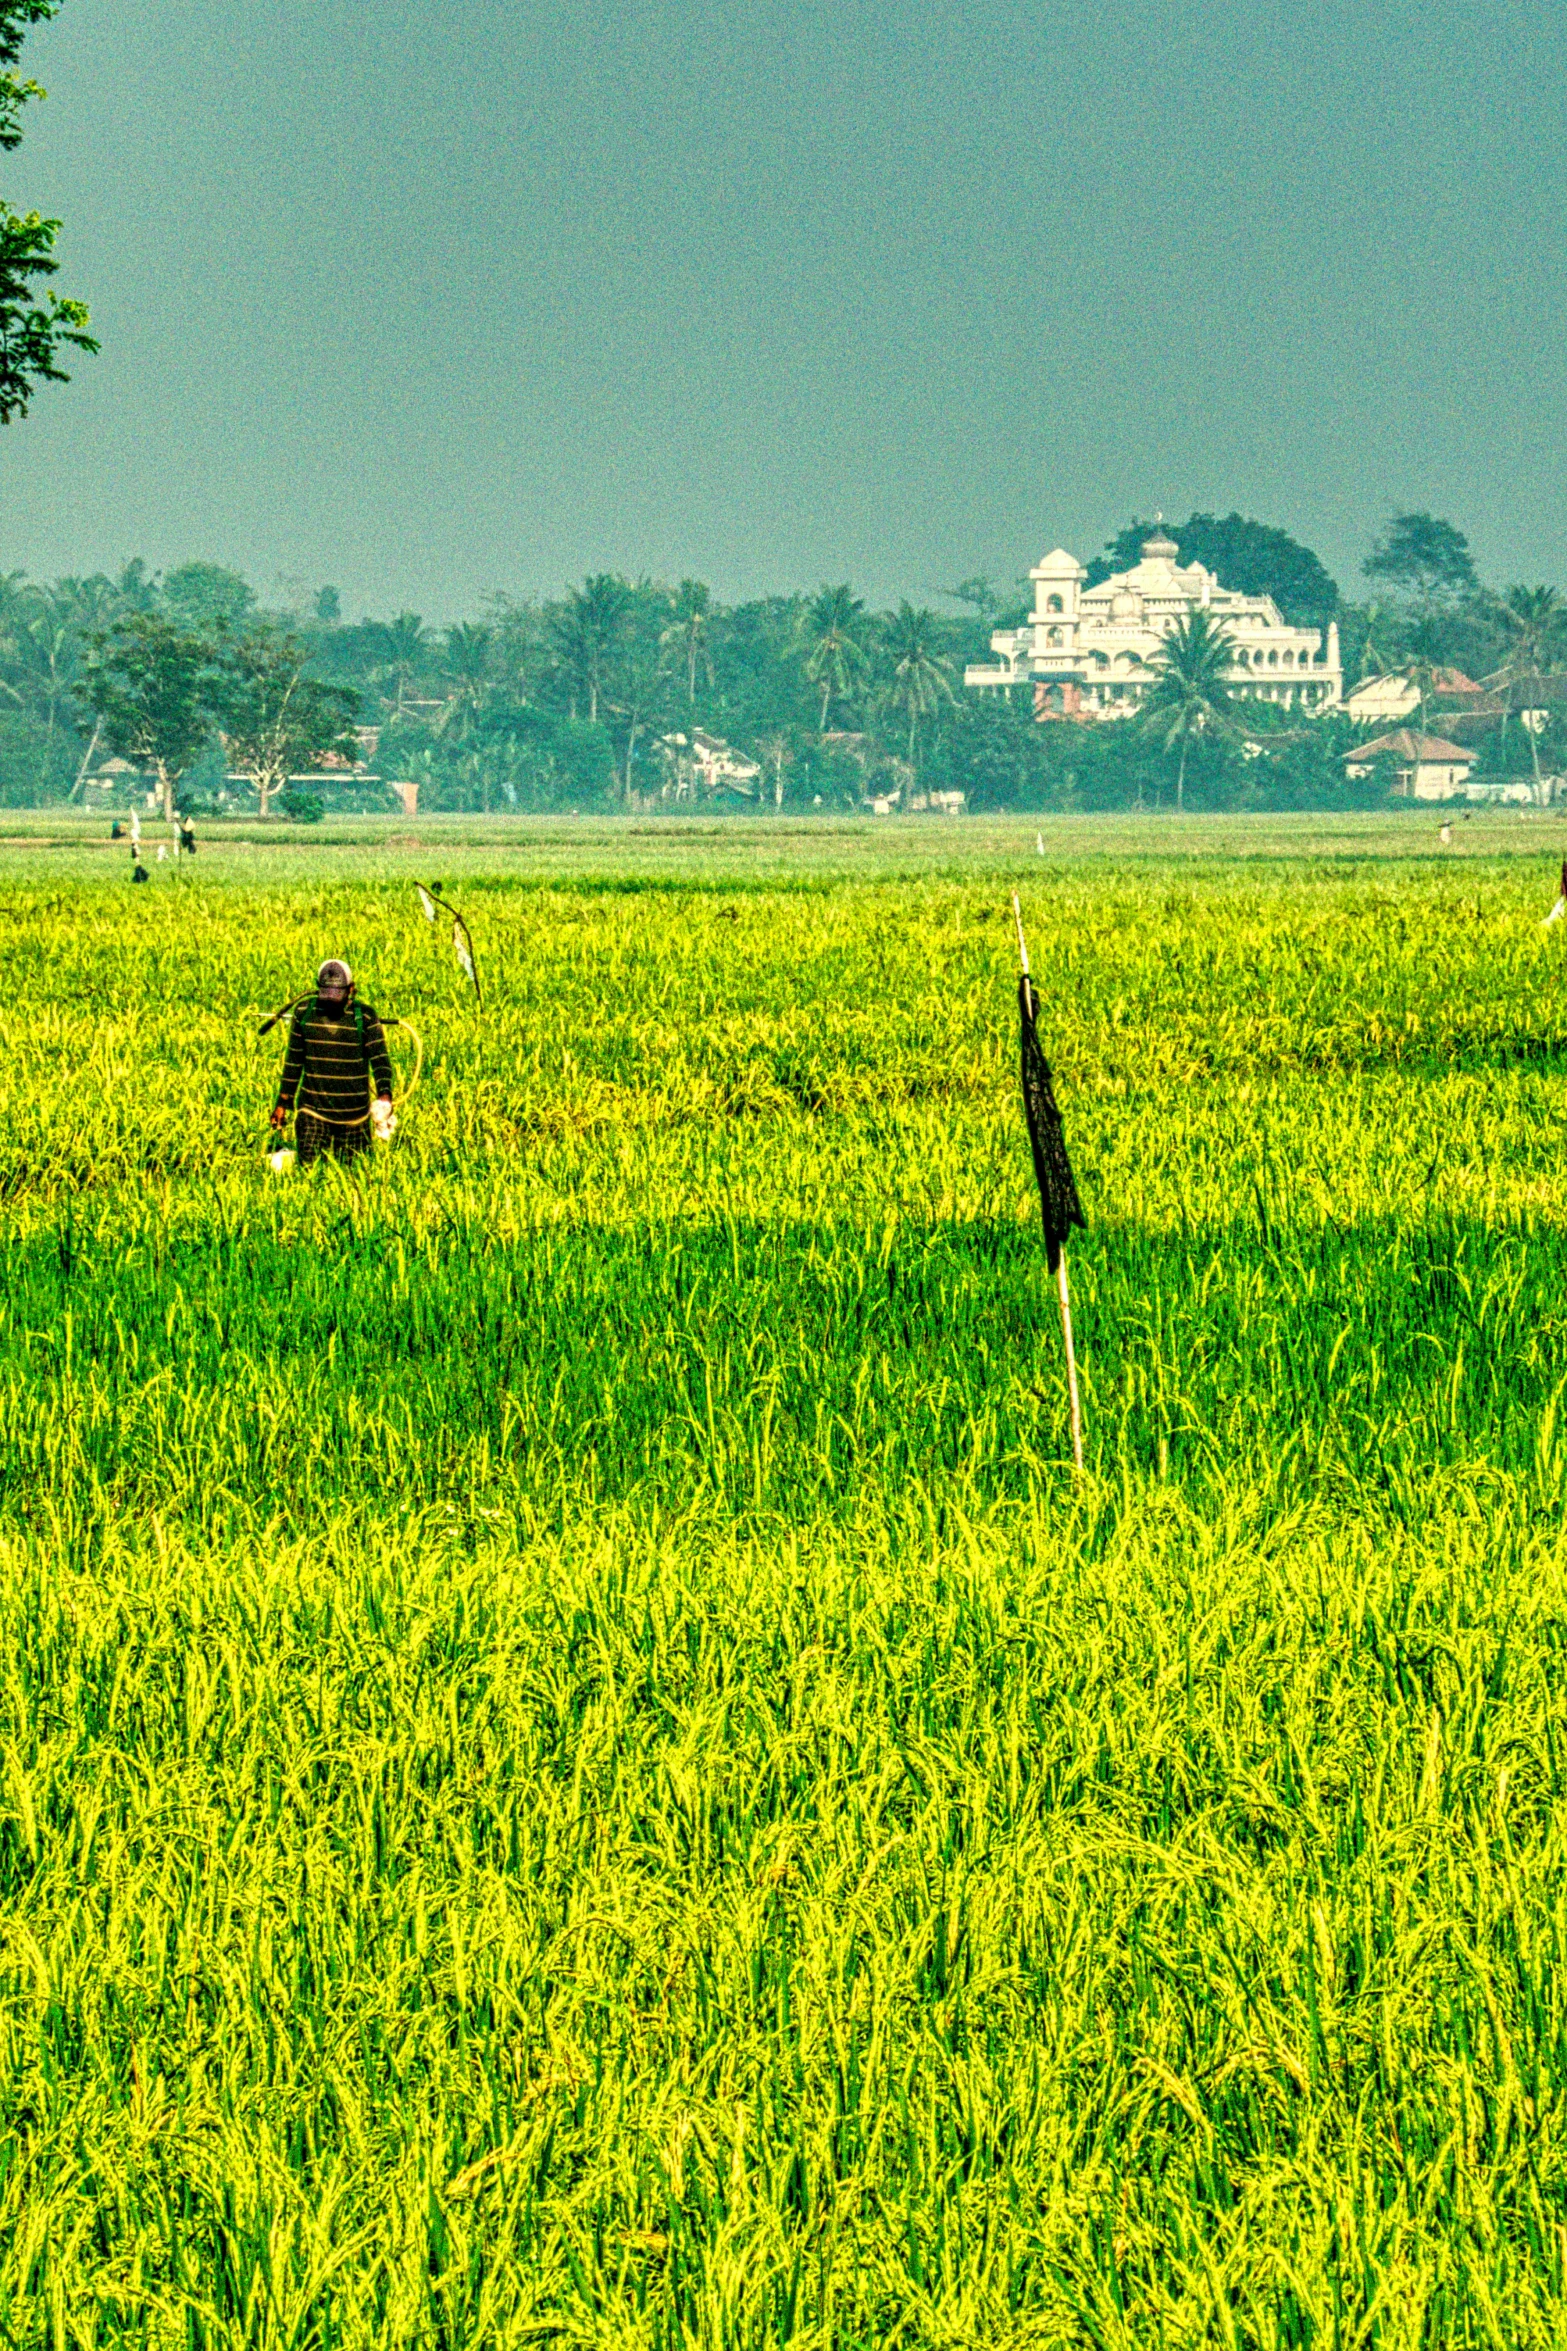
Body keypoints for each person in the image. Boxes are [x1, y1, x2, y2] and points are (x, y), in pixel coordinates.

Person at [270, 959, 394, 1166]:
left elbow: (380, 1060)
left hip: (354, 1116)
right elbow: (293, 1061)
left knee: (354, 1173)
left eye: (338, 996)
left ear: (351, 989)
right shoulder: (305, 1014)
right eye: (327, 996)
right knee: (309, 1170)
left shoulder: (365, 1016)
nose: (331, 1002)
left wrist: (384, 1097)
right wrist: (283, 1103)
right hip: (313, 1111)